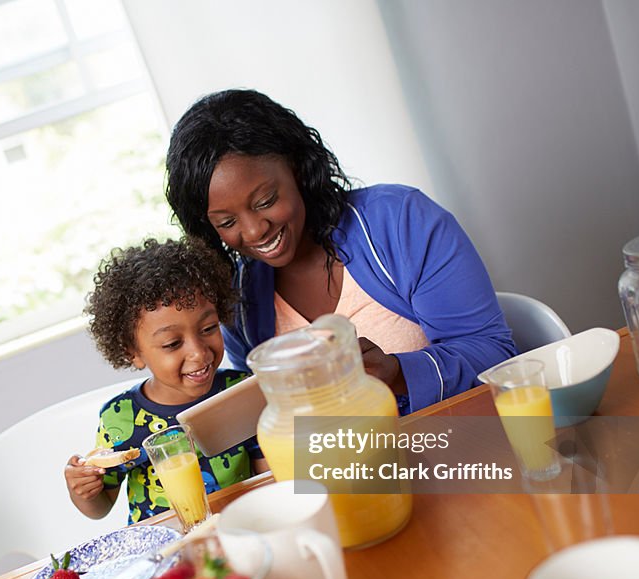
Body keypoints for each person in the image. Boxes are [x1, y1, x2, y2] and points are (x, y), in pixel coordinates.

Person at [165, 89, 516, 415]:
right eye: (226, 222)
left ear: (298, 169)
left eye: (266, 201)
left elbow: (496, 355)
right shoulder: (241, 298)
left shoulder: (400, 221)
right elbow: (259, 415)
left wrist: (397, 373)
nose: (255, 230)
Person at [64, 237, 267, 524]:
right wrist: (84, 490)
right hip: (163, 551)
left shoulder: (239, 392)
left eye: (209, 328)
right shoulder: (119, 419)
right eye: (172, 343)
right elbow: (99, 507)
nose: (199, 352)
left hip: (242, 529)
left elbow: (269, 479)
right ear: (132, 352)